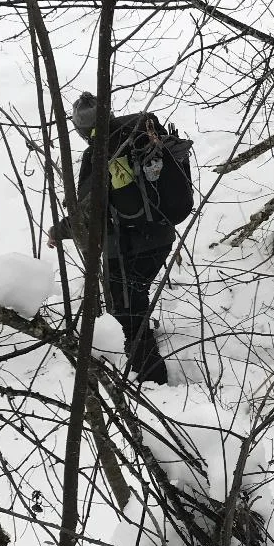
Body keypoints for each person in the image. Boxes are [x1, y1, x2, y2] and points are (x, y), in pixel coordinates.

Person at [48, 92, 172, 385]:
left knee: (127, 312)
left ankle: (153, 382)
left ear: (80, 130)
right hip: (162, 235)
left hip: (130, 245)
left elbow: (90, 214)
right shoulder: (139, 132)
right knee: (134, 299)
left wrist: (59, 231)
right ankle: (138, 358)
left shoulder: (100, 153)